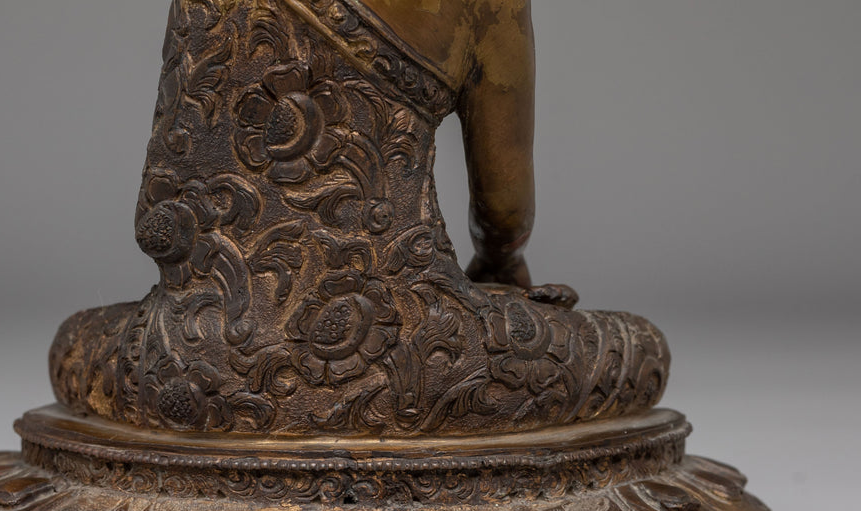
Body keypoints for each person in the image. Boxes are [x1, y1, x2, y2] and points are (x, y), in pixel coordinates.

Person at [50, 0, 669, 436]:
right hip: (406, 351)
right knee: (637, 351)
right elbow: (505, 212)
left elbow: (167, 195)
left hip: (185, 362)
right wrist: (499, 273)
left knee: (74, 345)